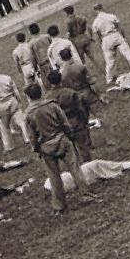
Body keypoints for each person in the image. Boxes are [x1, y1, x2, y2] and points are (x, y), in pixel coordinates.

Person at [24, 83, 96, 216]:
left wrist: (36, 149)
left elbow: (31, 136)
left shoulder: (29, 114)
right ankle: (87, 194)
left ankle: (59, 206)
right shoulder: (52, 105)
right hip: (62, 140)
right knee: (75, 169)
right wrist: (69, 135)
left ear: (28, 97)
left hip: (46, 146)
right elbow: (64, 122)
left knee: (54, 176)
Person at [92, 4, 130, 89]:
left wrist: (101, 44)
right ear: (102, 8)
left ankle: (109, 79)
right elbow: (119, 27)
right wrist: (123, 37)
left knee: (109, 61)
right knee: (128, 54)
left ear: (95, 11)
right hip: (115, 34)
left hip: (106, 38)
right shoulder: (111, 16)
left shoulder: (95, 22)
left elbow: (98, 36)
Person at [0, 62, 27, 153]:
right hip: (11, 99)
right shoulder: (7, 77)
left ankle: (9, 146)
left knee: (4, 127)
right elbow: (15, 91)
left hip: (0, 104)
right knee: (21, 121)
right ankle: (27, 137)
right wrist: (19, 100)